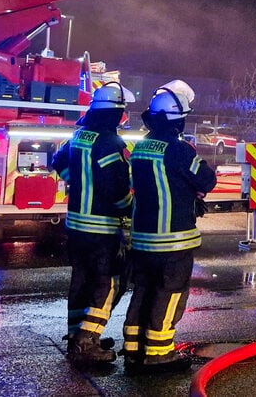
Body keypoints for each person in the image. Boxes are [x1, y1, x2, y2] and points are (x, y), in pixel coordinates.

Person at [122, 80, 216, 373]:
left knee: (144, 290)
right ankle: (159, 354)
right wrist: (194, 190)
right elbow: (206, 180)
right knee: (170, 291)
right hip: (172, 240)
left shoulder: (139, 148)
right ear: (178, 119)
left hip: (143, 238)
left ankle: (135, 351)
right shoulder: (179, 150)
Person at [51, 82, 135, 367]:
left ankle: (77, 333)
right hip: (101, 228)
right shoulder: (112, 143)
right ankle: (87, 341)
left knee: (81, 280)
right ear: (116, 113)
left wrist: (75, 180)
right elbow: (118, 189)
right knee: (108, 283)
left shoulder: (79, 135)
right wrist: (131, 210)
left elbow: (57, 160)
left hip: (75, 227)